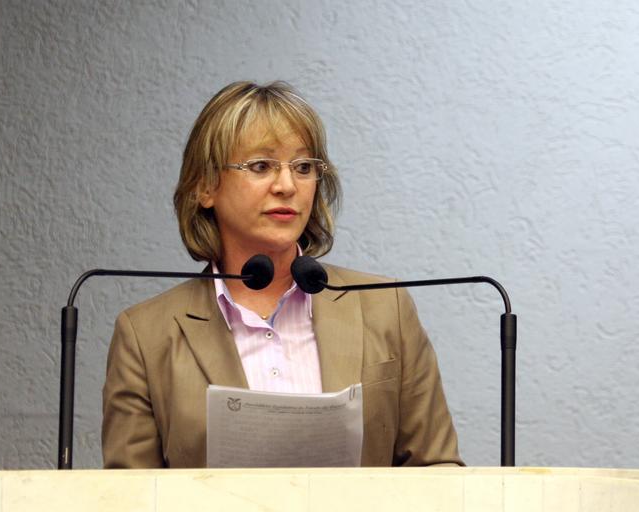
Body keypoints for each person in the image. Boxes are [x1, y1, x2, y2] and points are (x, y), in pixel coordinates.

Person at [102, 81, 462, 468]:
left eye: (303, 167)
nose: (287, 186)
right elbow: (129, 495)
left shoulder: (385, 308)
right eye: (261, 166)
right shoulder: (146, 336)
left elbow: (438, 470)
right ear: (205, 186)